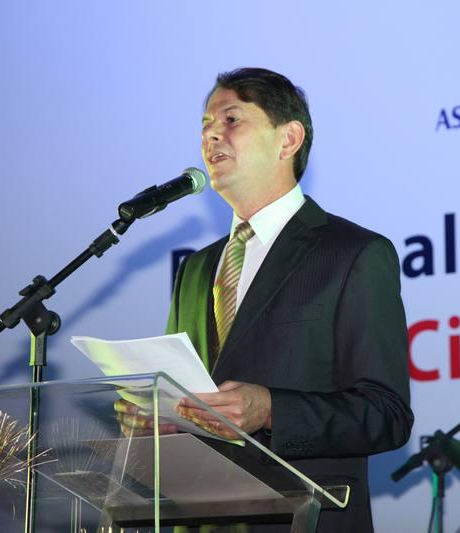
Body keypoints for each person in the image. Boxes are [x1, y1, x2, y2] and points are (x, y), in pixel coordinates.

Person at [166, 67, 413, 531]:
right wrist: (158, 414)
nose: (211, 135)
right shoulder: (195, 269)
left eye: (231, 119)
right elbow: (189, 391)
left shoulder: (353, 253)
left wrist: (272, 409)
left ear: (289, 139)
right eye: (205, 124)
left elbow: (386, 415)